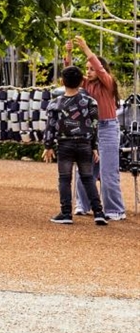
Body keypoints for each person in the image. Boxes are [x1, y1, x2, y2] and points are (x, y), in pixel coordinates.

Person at [70, 36, 125, 220]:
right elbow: (70, 76)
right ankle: (82, 204)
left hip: (108, 128)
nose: (89, 71)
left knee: (108, 172)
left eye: (91, 68)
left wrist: (85, 48)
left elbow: (100, 69)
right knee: (84, 170)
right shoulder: (87, 84)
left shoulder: (108, 83)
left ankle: (115, 210)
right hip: (91, 130)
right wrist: (68, 53)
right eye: (87, 69)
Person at [46, 65, 106, 226]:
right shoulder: (90, 102)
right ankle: (99, 213)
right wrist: (94, 146)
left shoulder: (54, 104)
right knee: (88, 178)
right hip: (84, 144)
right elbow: (94, 126)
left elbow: (50, 127)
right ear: (81, 82)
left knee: (64, 179)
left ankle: (66, 213)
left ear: (62, 81)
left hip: (64, 145)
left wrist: (48, 146)